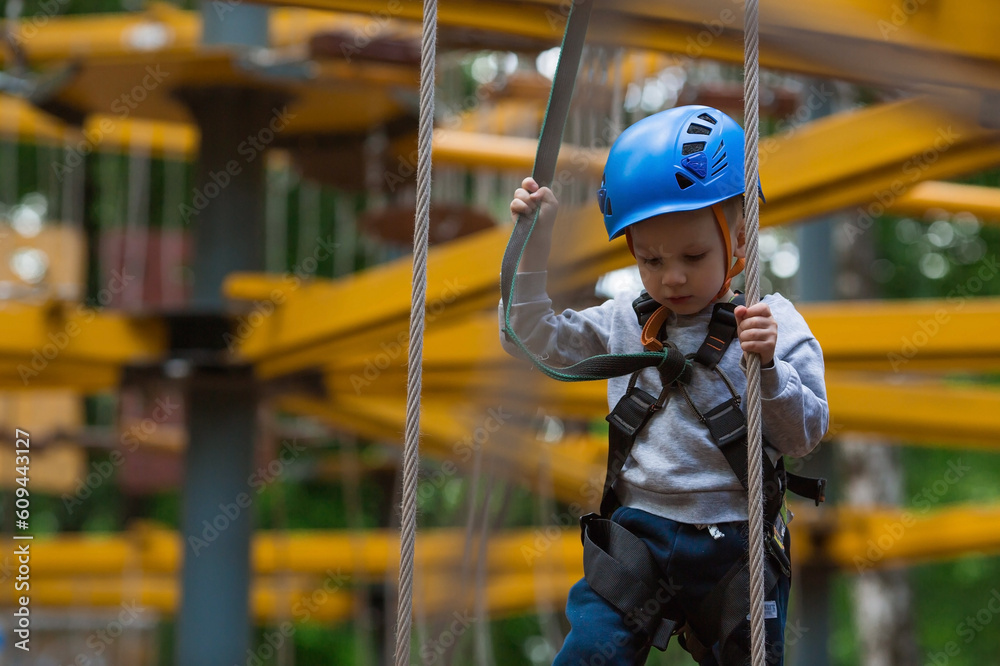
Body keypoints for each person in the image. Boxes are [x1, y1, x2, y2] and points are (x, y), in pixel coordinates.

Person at [499, 105, 829, 665]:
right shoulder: (624, 321)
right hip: (640, 535)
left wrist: (770, 368)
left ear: (740, 239)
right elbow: (526, 338)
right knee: (589, 654)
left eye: (693, 256)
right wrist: (535, 248)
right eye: (651, 259)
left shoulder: (771, 323)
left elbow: (803, 436)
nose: (672, 277)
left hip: (735, 541)